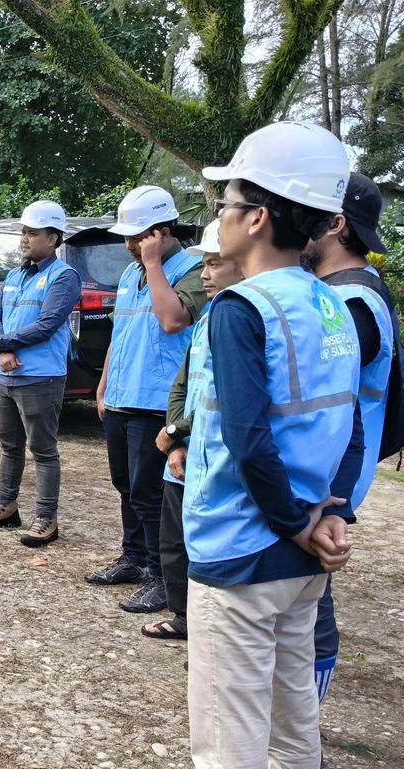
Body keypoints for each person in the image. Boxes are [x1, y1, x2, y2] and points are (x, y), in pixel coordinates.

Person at [119, 121, 364, 769]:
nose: (216, 217)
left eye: (225, 203)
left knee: (227, 735)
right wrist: (330, 514)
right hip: (303, 554)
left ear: (258, 217)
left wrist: (299, 520)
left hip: (243, 548)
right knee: (294, 712)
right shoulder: (334, 303)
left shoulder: (237, 310)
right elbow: (352, 424)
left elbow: (252, 439)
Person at [88, 185, 207, 615]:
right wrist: (103, 386)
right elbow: (122, 336)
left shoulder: (190, 269)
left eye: (139, 236)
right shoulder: (128, 273)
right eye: (128, 237)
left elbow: (173, 320)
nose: (130, 245)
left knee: (152, 494)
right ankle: (134, 558)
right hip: (121, 396)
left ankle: (161, 575)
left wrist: (154, 262)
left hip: (155, 401)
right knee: (126, 486)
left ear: (162, 231)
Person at [302, 172, 396, 701]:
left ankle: (304, 718)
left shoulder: (353, 302)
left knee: (313, 592)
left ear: (335, 225)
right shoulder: (337, 293)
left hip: (331, 471)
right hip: (326, 462)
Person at [142, 219, 244, 642]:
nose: (205, 273)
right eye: (204, 263)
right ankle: (184, 614)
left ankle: (208, 620)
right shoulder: (209, 315)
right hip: (185, 450)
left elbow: (225, 395)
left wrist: (177, 431)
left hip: (214, 452)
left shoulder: (239, 318)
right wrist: (174, 436)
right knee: (175, 538)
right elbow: (183, 384)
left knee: (210, 541)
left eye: (216, 264)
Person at [0, 199, 81, 546]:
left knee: (43, 449)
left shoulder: (64, 277)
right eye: (24, 232)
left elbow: (48, 324)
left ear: (53, 238)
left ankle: (47, 519)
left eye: (32, 233)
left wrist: (4, 344)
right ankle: (6, 505)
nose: (25, 238)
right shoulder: (16, 275)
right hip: (7, 375)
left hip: (41, 376)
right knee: (8, 444)